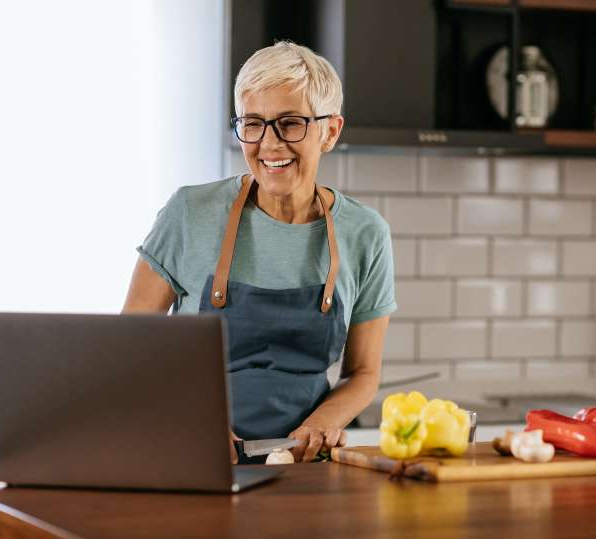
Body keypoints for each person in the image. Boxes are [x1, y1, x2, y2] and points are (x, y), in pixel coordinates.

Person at [123, 41, 396, 463]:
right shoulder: (189, 212)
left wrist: (323, 423)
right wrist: (194, 419)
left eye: (290, 123)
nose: (269, 144)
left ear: (331, 131)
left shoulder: (366, 233)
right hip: (191, 457)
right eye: (253, 123)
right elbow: (129, 346)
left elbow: (363, 373)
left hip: (304, 467)